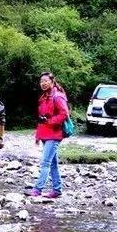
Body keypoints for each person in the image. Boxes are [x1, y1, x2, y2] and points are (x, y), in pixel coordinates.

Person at [31, 71, 69, 199]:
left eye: (46, 81)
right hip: (45, 135)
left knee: (45, 163)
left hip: (55, 134)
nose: (43, 83)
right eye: (41, 81)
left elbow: (64, 114)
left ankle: (37, 189)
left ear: (52, 82)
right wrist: (37, 135)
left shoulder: (58, 96)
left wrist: (50, 122)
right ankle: (57, 190)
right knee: (52, 164)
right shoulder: (42, 98)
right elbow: (41, 119)